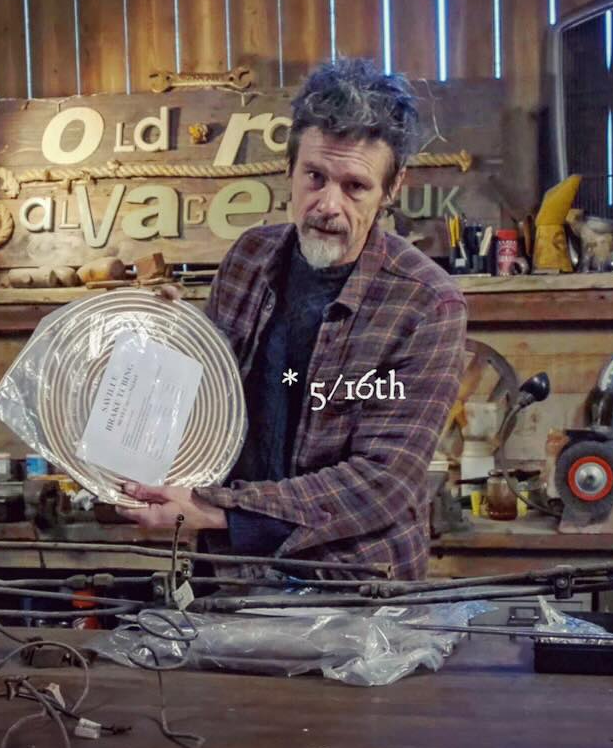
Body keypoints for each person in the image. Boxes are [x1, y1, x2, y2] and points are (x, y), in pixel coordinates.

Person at [118, 59, 466, 580]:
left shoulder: (428, 305)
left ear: (393, 189)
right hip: (231, 574)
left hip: (355, 590)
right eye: (315, 177)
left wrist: (214, 511)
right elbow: (207, 407)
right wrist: (164, 345)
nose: (327, 205)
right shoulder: (248, 260)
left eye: (355, 187)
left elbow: (383, 481)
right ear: (289, 168)